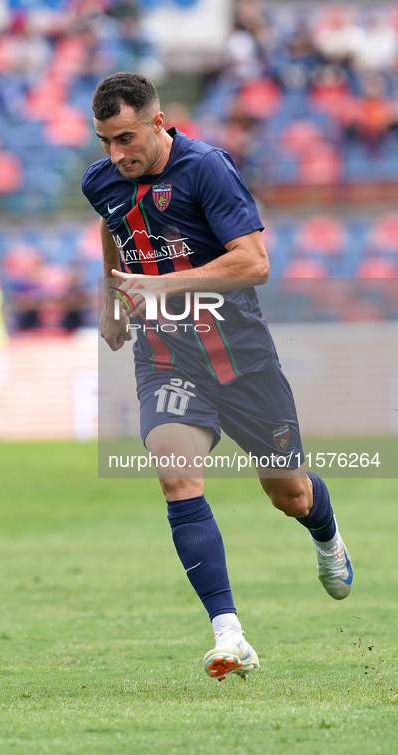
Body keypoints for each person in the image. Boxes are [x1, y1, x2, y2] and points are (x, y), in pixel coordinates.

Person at [82, 72, 353, 682]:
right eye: (105, 141)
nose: (115, 155)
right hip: (165, 351)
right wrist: (110, 298)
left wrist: (161, 285)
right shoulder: (102, 181)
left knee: (290, 492)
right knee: (176, 474)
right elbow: (111, 222)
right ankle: (229, 634)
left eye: (126, 138)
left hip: (241, 357)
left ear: (158, 123)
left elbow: (254, 263)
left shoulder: (207, 169)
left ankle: (327, 534)